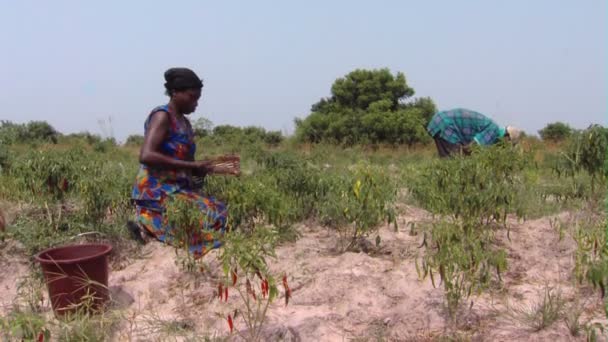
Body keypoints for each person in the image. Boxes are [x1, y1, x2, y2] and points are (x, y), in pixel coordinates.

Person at [129, 67, 239, 257]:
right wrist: (193, 166)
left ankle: (156, 228)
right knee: (212, 216)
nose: (195, 104)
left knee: (221, 212)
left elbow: (188, 165)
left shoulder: (185, 124)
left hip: (178, 189)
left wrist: (210, 167)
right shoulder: (162, 116)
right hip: (157, 191)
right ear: (174, 93)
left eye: (197, 99)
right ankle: (146, 223)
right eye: (192, 97)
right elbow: (146, 155)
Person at [426, 108, 521, 158]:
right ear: (506, 137)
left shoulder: (491, 129)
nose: (503, 147)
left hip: (439, 121)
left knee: (449, 164)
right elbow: (472, 148)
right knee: (453, 164)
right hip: (445, 125)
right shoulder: (493, 131)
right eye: (507, 143)